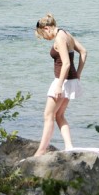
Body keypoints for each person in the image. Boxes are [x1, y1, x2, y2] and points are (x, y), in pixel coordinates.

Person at [34, 13, 87, 156]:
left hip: (62, 81)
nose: (45, 38)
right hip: (71, 81)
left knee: (48, 115)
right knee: (59, 115)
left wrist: (59, 85)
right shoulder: (66, 33)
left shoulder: (59, 38)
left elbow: (66, 63)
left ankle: (41, 151)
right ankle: (69, 146)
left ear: (46, 28)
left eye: (43, 35)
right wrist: (78, 74)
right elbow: (83, 51)